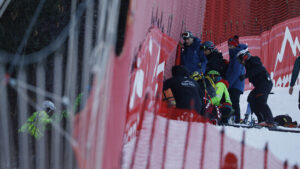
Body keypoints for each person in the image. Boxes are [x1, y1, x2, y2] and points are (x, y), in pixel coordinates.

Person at [237, 48, 274, 126]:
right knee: (251, 98)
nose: (240, 62)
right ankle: (261, 120)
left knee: (260, 100)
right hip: (260, 85)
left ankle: (269, 120)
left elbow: (258, 69)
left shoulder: (254, 60)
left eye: (240, 59)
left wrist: (245, 75)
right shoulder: (248, 64)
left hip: (265, 83)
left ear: (244, 57)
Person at [225, 36, 246, 123]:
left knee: (234, 101)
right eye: (229, 46)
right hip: (235, 84)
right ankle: (233, 118)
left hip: (235, 84)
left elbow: (235, 72)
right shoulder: (235, 55)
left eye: (232, 46)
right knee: (233, 101)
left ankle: (236, 119)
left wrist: (228, 84)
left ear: (236, 46)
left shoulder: (237, 56)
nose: (230, 48)